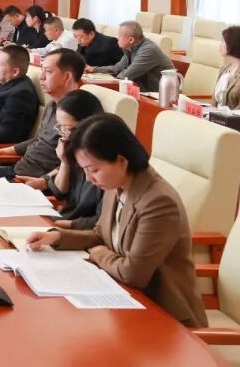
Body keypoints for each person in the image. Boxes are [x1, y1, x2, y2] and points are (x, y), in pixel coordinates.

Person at [27, 114, 208, 328]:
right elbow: (100, 234)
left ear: (121, 160)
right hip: (122, 297)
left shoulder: (158, 202)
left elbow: (133, 273)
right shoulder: (117, 184)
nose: (89, 179)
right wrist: (57, 238)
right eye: (85, 171)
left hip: (164, 315)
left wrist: (99, 253)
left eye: (94, 170)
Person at [0, 48, 84, 178]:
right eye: (42, 70)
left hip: (35, 180)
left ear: (67, 77)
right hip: (19, 170)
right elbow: (39, 140)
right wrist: (5, 151)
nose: (41, 76)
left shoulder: (81, 109)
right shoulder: (52, 104)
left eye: (48, 71)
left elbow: (77, 163)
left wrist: (45, 181)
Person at [16, 89, 106, 230]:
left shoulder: (104, 161)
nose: (63, 135)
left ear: (87, 125)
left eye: (67, 128)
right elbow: (60, 191)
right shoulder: (76, 150)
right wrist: (65, 162)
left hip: (79, 230)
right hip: (63, 220)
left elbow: (102, 221)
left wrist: (59, 225)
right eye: (61, 127)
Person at [86, 21, 175, 91]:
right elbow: (117, 68)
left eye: (119, 36)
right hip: (145, 90)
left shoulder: (148, 50)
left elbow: (127, 75)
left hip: (162, 95)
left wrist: (107, 81)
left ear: (131, 40)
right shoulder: (130, 48)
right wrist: (94, 69)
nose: (117, 39)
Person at [215, 25, 240, 110]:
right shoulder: (225, 68)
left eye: (223, 41)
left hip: (232, 117)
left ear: (235, 44)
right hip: (215, 115)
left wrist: (219, 115)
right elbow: (214, 102)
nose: (220, 45)